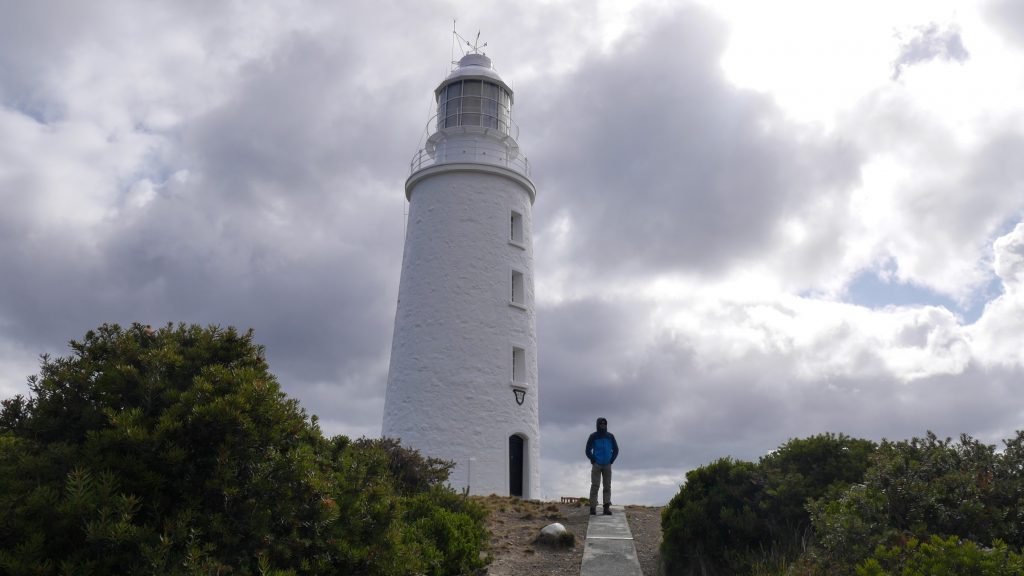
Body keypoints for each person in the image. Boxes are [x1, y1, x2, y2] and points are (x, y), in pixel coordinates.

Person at [585, 417, 619, 515]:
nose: (603, 425)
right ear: (598, 425)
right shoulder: (593, 436)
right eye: (601, 424)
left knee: (607, 486)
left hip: (607, 465)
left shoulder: (610, 436)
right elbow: (587, 450)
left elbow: (616, 449)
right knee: (595, 486)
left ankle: (606, 508)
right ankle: (592, 508)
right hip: (597, 464)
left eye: (605, 424)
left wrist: (611, 460)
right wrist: (593, 459)